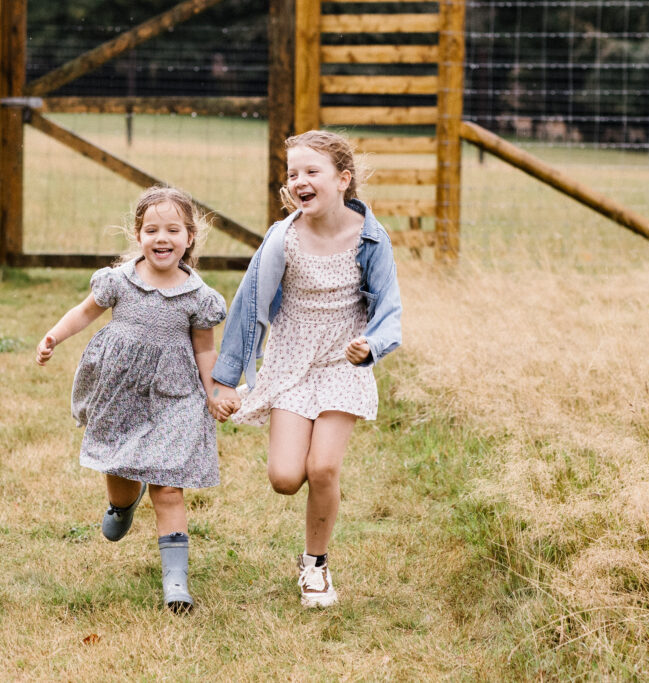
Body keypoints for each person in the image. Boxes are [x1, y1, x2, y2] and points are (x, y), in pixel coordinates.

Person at [208, 130, 402, 608]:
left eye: (311, 172)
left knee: (323, 467)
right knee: (285, 478)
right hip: (291, 360)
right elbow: (248, 303)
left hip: (342, 360)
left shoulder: (371, 238)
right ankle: (308, 554)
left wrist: (371, 345)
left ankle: (316, 565)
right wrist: (224, 378)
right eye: (293, 173)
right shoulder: (283, 239)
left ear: (342, 179)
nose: (299, 181)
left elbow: (390, 310)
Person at [36, 186, 227, 613]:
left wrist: (214, 392)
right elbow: (85, 312)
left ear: (189, 237)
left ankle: (175, 581)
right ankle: (122, 504)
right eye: (152, 229)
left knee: (168, 487)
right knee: (118, 467)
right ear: (138, 236)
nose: (163, 238)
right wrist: (54, 335)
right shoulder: (118, 280)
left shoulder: (199, 297)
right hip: (120, 389)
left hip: (173, 395)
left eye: (173, 229)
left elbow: (204, 350)